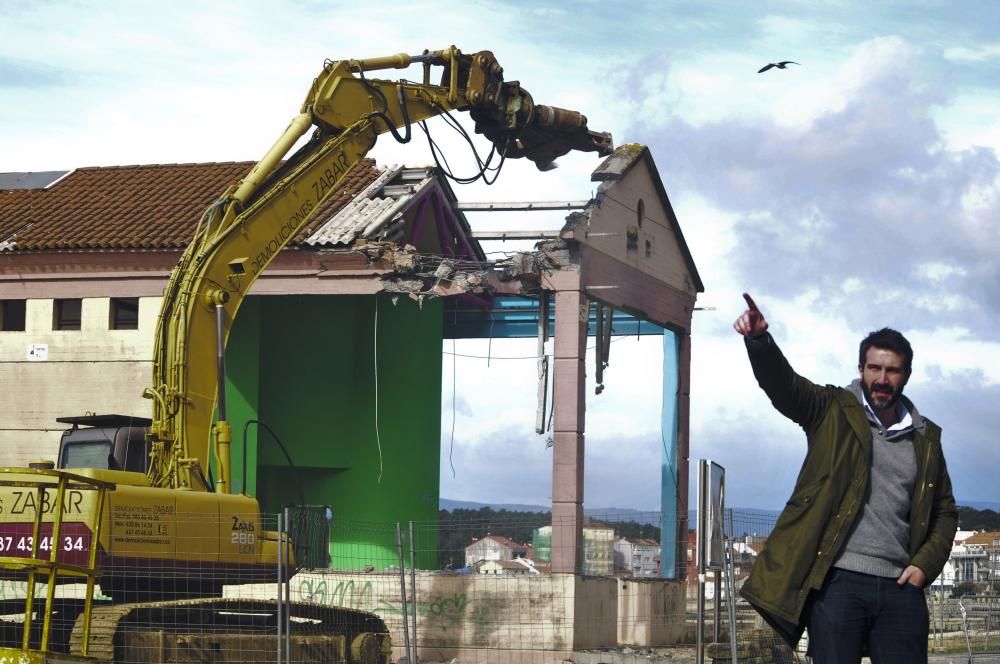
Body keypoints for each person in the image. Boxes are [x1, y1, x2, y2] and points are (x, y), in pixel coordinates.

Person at [733, 293, 957, 663]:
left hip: (902, 586)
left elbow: (945, 512)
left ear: (906, 375)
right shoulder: (830, 410)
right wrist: (759, 342)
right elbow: (784, 386)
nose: (882, 379)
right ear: (861, 368)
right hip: (838, 583)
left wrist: (924, 566)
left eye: (892, 370)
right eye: (874, 369)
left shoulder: (925, 439)